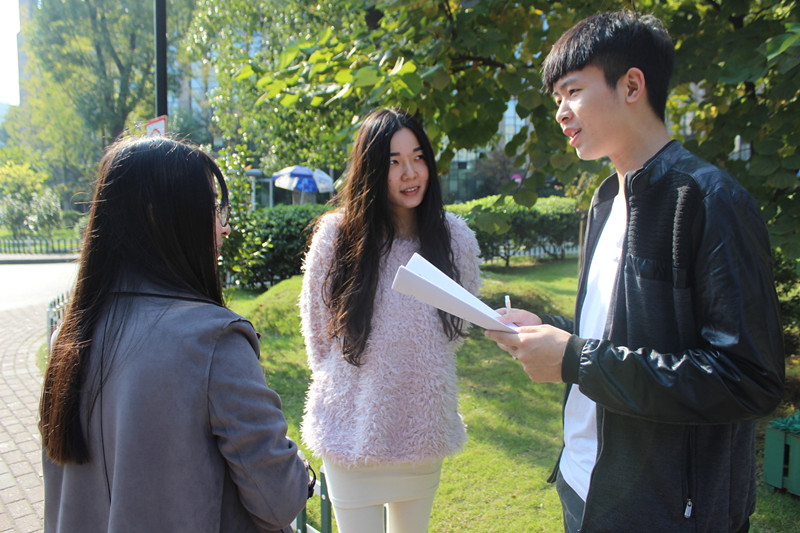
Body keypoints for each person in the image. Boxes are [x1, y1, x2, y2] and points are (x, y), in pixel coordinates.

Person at [485, 10, 785, 533]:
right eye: (556, 99)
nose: (561, 113)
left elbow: (748, 380)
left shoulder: (708, 199)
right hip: (583, 484)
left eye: (573, 92)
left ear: (630, 86)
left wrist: (576, 359)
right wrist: (551, 331)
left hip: (667, 511)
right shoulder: (605, 201)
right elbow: (620, 333)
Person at [39, 136, 311, 533]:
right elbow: (279, 499)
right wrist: (301, 471)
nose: (224, 227)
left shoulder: (70, 335)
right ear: (162, 218)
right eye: (212, 208)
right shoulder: (214, 341)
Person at [299, 108, 482, 533]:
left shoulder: (454, 238)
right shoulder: (336, 237)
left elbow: (458, 324)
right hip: (351, 431)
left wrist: (417, 364)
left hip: (422, 429)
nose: (410, 173)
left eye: (418, 158)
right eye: (394, 162)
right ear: (371, 169)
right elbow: (318, 337)